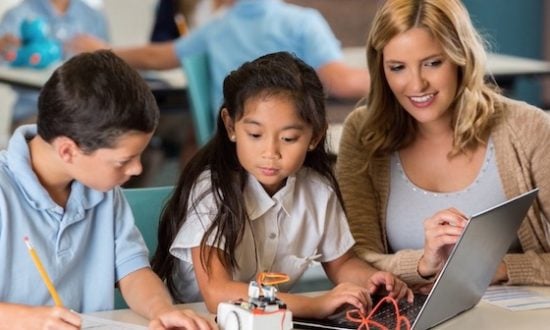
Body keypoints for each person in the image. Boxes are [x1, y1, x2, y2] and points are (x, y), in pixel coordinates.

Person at [151, 51, 412, 318]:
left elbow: (342, 263)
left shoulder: (317, 191)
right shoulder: (213, 190)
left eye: (288, 138)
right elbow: (217, 293)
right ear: (230, 126)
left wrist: (372, 279)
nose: (270, 152)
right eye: (255, 135)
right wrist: (316, 305)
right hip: (199, 321)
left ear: (314, 136)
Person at [336, 0, 550, 289]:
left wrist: (499, 268)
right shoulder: (363, 134)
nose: (416, 85)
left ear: (461, 55)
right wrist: (424, 264)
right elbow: (357, 260)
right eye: (397, 68)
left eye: (433, 63)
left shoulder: (528, 128)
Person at [0, 50, 213, 329]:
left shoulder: (102, 190)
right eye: (124, 160)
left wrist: (161, 310)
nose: (137, 169)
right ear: (67, 151)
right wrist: (29, 320)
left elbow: (133, 270)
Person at [67, 0, 370, 117]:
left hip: (224, 140)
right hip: (286, 140)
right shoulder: (302, 21)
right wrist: (394, 73)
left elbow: (157, 56)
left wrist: (102, 49)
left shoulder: (217, 26)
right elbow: (341, 82)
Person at [0, 0, 109, 130]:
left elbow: (107, 73)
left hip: (87, 115)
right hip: (34, 112)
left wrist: (99, 54)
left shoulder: (94, 17)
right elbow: (6, 59)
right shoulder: (17, 15)